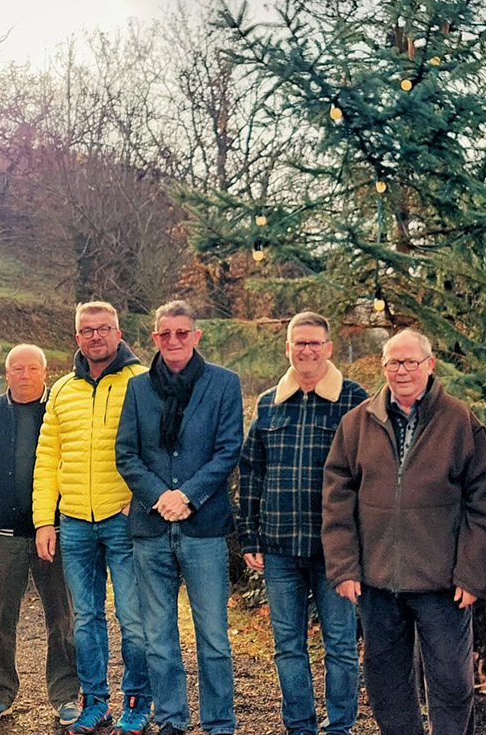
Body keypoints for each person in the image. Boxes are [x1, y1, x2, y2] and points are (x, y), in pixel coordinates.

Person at [322, 329, 486, 735]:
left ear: (429, 364)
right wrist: (344, 567)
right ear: (383, 366)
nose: (402, 371)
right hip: (378, 580)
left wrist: (472, 573)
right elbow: (337, 499)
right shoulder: (357, 423)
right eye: (393, 363)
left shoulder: (459, 422)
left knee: (452, 684)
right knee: (386, 685)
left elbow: (482, 503)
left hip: (443, 583)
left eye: (410, 362)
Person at [115, 300, 243, 735]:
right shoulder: (138, 388)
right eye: (164, 334)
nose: (173, 341)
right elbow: (127, 454)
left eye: (182, 333)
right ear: (154, 338)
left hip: (203, 528)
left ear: (196, 336)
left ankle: (219, 721)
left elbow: (228, 450)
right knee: (158, 638)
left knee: (213, 637)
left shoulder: (224, 384)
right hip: (151, 530)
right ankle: (171, 718)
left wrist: (187, 496)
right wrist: (160, 496)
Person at [237, 311, 366, 735]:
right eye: (299, 343)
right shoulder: (269, 402)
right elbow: (252, 470)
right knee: (288, 647)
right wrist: (249, 535)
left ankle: (340, 726)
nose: (307, 350)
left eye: (315, 343)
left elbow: (370, 475)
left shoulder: (355, 400)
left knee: (342, 647)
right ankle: (300, 726)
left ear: (328, 349)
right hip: (278, 547)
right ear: (288, 347)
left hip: (336, 551)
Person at [31, 300, 152, 735]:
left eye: (105, 328)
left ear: (119, 334)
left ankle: (138, 700)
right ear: (77, 337)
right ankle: (95, 700)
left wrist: (140, 500)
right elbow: (47, 458)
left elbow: (157, 447)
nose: (96, 336)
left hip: (124, 520)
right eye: (88, 329)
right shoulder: (63, 389)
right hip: (76, 521)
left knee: (133, 617)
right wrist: (45, 519)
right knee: (85, 618)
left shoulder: (142, 381)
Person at [0, 344, 80, 726]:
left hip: (56, 534)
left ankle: (66, 695)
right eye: (16, 368)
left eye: (32, 368)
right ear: (6, 374)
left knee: (63, 619)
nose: (24, 375)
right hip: (1, 535)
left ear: (46, 372)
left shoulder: (60, 414)